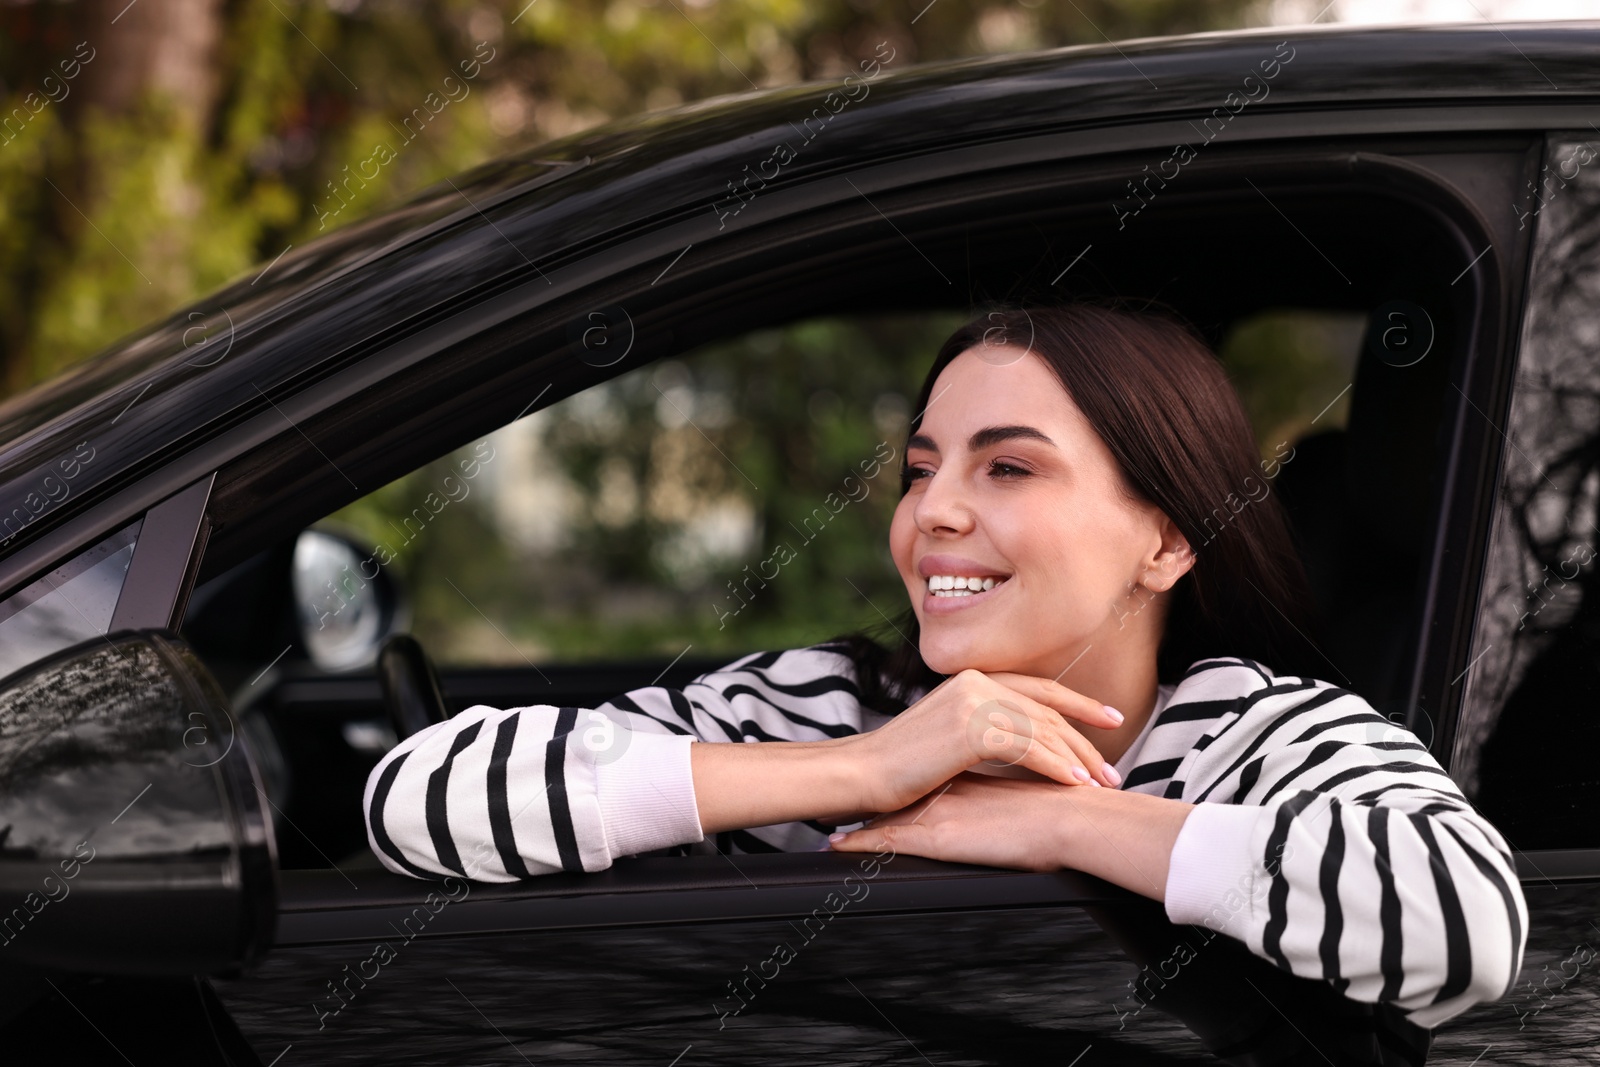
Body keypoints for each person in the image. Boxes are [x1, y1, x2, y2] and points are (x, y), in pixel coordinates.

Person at [363, 301, 1526, 1032]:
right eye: (922, 470)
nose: (935, 514)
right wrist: (859, 771)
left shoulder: (1267, 735)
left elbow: (1465, 928)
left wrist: (1066, 827)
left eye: (1007, 469)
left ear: (1167, 537)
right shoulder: (824, 704)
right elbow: (417, 795)